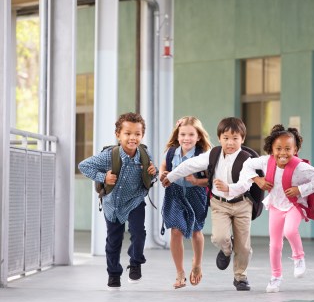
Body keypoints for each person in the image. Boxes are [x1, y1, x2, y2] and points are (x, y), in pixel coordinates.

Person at [224, 125, 314, 293]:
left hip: (294, 204)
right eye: (278, 148)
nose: (283, 153)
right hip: (276, 206)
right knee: (275, 245)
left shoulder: (300, 166)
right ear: (271, 149)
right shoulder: (266, 161)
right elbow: (247, 164)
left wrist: (300, 190)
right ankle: (275, 277)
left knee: (290, 230)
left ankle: (299, 257)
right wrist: (258, 180)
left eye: (288, 148)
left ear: (296, 149)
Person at [161, 117, 255, 291]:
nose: (230, 143)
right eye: (226, 138)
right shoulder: (213, 155)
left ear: (243, 138)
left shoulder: (247, 159)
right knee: (219, 237)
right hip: (219, 204)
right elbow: (188, 165)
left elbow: (246, 183)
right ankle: (226, 250)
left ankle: (240, 277)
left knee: (244, 246)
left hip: (241, 204)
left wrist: (229, 187)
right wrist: (170, 177)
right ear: (219, 138)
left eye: (235, 138)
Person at [78, 112, 157, 290]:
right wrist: (103, 177)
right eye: (127, 133)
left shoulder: (144, 154)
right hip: (112, 204)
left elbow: (152, 175)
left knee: (139, 233)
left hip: (135, 200)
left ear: (142, 135)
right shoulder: (109, 155)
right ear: (118, 135)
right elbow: (83, 166)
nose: (132, 138)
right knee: (114, 240)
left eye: (137, 134)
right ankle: (114, 274)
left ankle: (135, 262)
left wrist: (153, 173)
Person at [159, 117, 212, 289]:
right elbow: (163, 167)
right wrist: (162, 174)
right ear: (177, 135)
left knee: (196, 231)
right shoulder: (171, 152)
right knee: (175, 231)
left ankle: (197, 264)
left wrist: (197, 181)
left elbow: (212, 180)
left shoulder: (203, 155)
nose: (186, 138)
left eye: (191, 134)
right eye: (183, 134)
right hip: (174, 193)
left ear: (198, 137)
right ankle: (180, 272)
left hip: (195, 194)